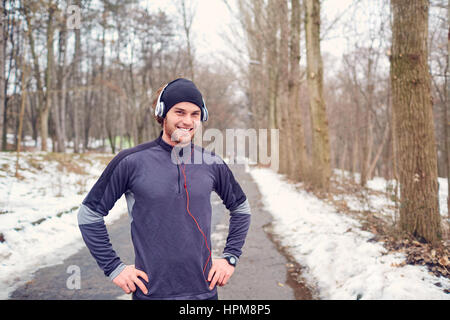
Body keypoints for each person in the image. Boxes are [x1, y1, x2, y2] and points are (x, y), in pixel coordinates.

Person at [77, 78, 251, 300]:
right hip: (151, 294)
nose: (187, 121)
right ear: (162, 113)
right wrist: (114, 268)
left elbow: (241, 209)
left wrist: (230, 257)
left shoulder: (211, 162)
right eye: (179, 112)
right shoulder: (131, 161)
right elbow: (89, 215)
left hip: (204, 294)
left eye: (194, 114)